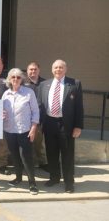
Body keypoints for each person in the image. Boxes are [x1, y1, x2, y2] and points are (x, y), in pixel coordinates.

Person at [37, 59, 83, 193]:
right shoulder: (44, 85)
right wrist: (37, 124)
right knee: (51, 153)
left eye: (61, 67)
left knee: (67, 155)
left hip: (66, 125)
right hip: (49, 123)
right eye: (55, 67)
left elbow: (79, 107)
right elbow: (40, 106)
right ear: (52, 70)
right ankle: (54, 177)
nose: (58, 70)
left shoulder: (75, 84)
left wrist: (78, 126)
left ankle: (69, 182)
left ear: (65, 69)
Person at [2, 68, 39, 195]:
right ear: (9, 79)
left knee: (26, 157)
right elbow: (1, 111)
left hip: (25, 130)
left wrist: (34, 128)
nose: (16, 79)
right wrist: (1, 114)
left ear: (22, 79)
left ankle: (32, 183)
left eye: (18, 77)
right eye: (13, 77)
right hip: (9, 130)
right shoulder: (6, 94)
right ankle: (18, 178)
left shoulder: (29, 92)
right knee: (15, 156)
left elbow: (35, 112)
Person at [25, 62, 48, 169]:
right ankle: (28, 163)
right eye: (30, 69)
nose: (33, 71)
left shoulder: (46, 83)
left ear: (39, 70)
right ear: (27, 71)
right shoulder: (23, 83)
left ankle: (42, 163)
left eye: (35, 69)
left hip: (40, 119)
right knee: (26, 143)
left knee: (39, 143)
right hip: (24, 119)